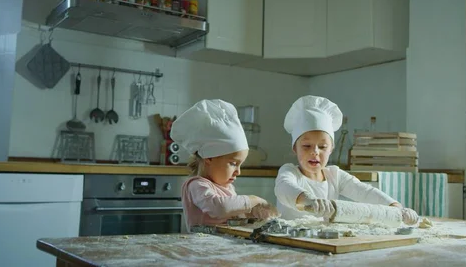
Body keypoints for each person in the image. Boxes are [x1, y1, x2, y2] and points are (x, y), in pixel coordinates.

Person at [274, 95, 419, 225]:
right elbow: (284, 188)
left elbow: (364, 192)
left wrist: (395, 207)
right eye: (306, 146)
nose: (315, 152)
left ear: (331, 149)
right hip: (288, 240)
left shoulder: (334, 175)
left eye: (323, 146)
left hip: (321, 240)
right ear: (295, 148)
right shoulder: (290, 172)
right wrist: (308, 200)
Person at [171, 99, 278, 232]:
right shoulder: (197, 185)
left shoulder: (228, 188)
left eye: (240, 165)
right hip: (203, 249)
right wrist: (253, 200)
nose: (238, 172)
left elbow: (232, 214)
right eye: (233, 163)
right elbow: (219, 208)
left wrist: (255, 213)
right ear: (209, 157)